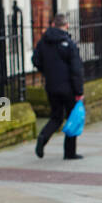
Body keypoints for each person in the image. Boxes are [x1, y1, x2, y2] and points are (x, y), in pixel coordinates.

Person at [32, 14, 85, 160]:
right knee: (71, 118)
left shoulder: (43, 42)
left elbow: (35, 60)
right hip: (68, 88)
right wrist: (79, 91)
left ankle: (43, 137)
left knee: (56, 116)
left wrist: (47, 71)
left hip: (51, 86)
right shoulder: (69, 43)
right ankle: (69, 152)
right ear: (66, 26)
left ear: (53, 24)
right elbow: (76, 70)